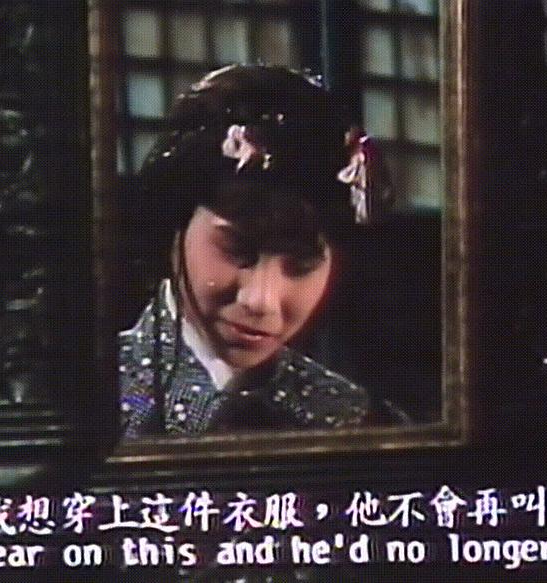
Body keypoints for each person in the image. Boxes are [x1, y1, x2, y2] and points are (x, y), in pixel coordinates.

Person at [118, 64, 405, 438]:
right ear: (174, 223)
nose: (260, 301)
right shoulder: (85, 400)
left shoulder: (358, 422)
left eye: (301, 265)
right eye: (236, 249)